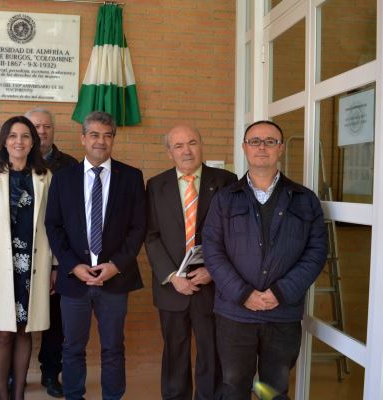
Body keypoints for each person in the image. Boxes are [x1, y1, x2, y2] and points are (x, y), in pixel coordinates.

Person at [202, 120, 328, 399]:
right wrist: (244, 293)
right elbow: (212, 250)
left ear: (280, 149)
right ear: (245, 148)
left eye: (270, 141)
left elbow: (316, 252)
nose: (262, 147)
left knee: (275, 390)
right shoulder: (225, 199)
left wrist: (280, 292)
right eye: (255, 141)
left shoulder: (305, 200)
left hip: (282, 314)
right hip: (235, 314)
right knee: (233, 386)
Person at [45, 111, 146, 400]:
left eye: (107, 135)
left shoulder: (131, 177)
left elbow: (139, 227)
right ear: (83, 138)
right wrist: (72, 265)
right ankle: (74, 395)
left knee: (113, 347)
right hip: (75, 279)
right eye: (94, 134)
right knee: (72, 347)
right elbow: (53, 225)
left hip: (114, 279)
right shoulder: (63, 179)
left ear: (113, 139)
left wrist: (116, 265)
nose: (100, 141)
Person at [145, 124, 237, 400]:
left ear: (202, 145)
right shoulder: (155, 185)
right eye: (179, 145)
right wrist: (172, 275)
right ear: (169, 152)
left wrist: (213, 269)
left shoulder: (226, 181)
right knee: (175, 350)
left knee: (212, 351)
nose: (187, 150)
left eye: (192, 143)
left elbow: (234, 233)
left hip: (212, 284)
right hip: (172, 286)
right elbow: (151, 236)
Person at [0, 116, 53, 400]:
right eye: (13, 136)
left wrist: (54, 267)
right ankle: (2, 394)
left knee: (24, 331)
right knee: (3, 332)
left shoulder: (45, 177)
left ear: (33, 142)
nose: (20, 141)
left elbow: (54, 225)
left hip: (34, 265)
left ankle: (18, 394)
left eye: (26, 136)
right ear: (4, 141)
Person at [25, 107, 78, 398]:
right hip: (21, 254)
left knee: (56, 320)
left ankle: (50, 373)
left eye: (47, 126)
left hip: (58, 254)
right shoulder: (12, 163)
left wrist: (62, 263)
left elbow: (75, 217)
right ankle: (14, 373)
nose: (42, 131)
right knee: (19, 317)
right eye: (36, 126)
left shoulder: (70, 165)